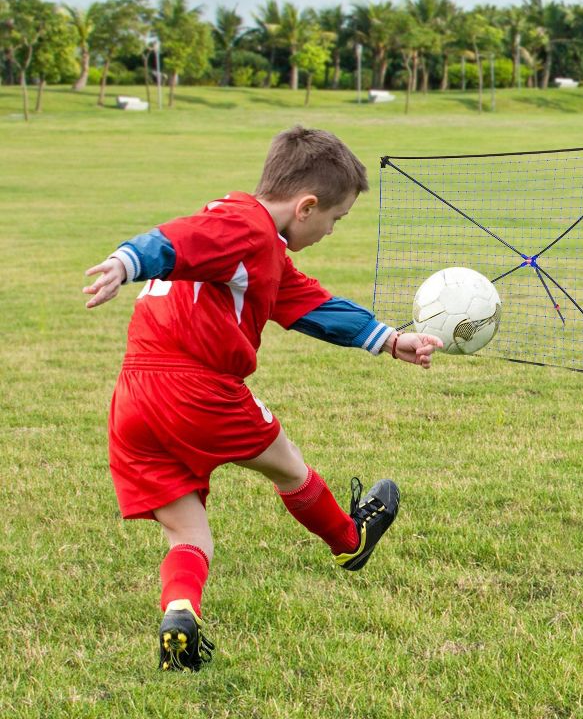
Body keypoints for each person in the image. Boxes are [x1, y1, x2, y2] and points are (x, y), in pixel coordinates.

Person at [83, 126, 443, 672]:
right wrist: (128, 260)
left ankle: (180, 611)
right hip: (197, 389)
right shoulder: (242, 224)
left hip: (134, 395)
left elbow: (306, 302)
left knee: (187, 531)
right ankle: (351, 541)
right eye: (334, 219)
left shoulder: (255, 247)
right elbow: (181, 238)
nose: (330, 230)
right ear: (306, 206)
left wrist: (391, 338)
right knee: (290, 468)